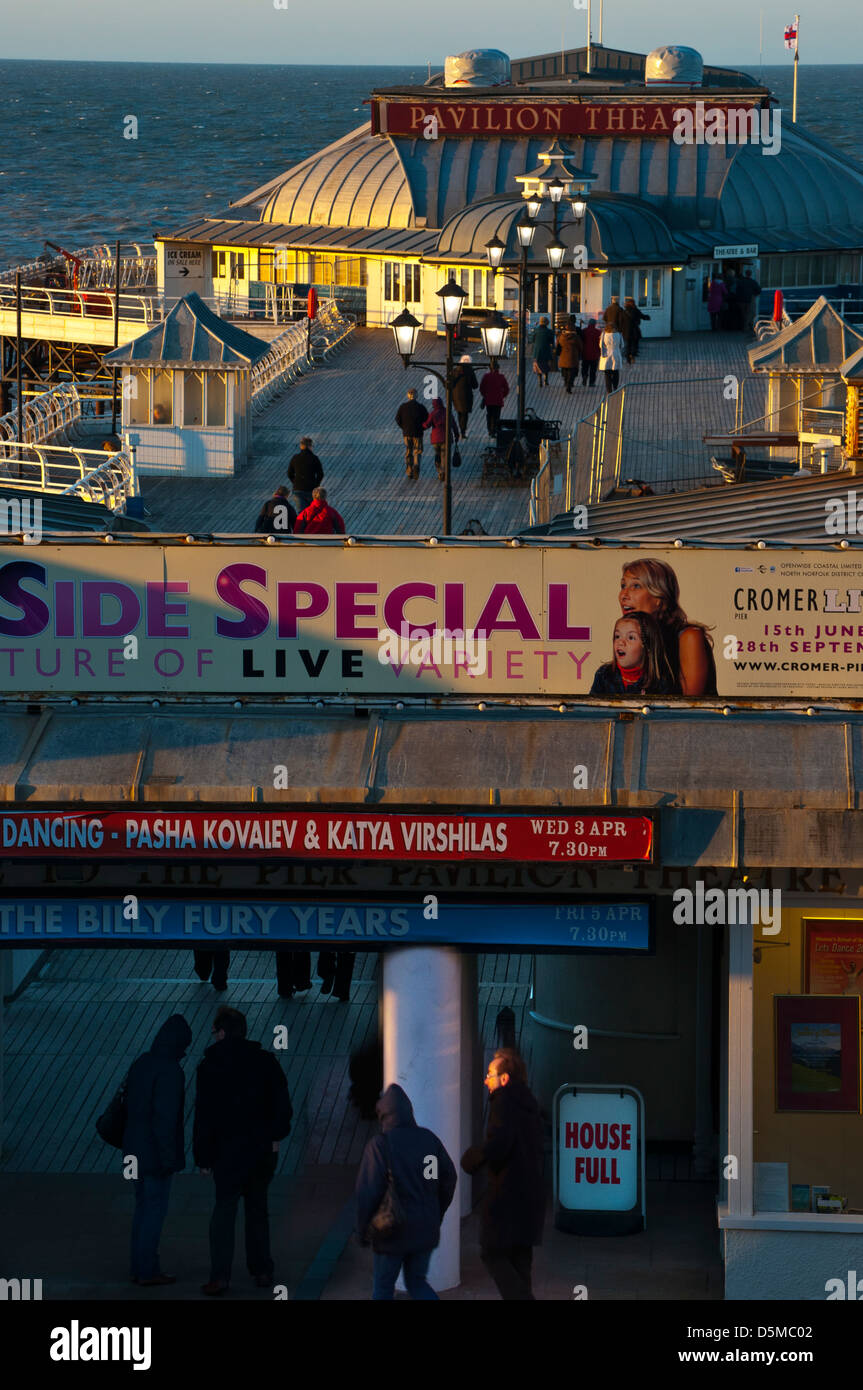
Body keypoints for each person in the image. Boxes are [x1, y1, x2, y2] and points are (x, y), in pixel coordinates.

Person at [194, 1006, 293, 1296]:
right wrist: (276, 1135)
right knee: (257, 1209)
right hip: (261, 1150)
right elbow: (282, 1105)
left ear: (222, 1032)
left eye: (214, 1032)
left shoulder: (210, 1066)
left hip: (227, 1153)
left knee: (224, 1211)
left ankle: (220, 1276)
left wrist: (203, 1157)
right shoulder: (266, 1062)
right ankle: (261, 1269)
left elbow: (204, 1117)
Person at [355, 1083, 457, 1301]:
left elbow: (369, 1192)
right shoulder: (429, 1140)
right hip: (425, 1228)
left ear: (383, 1115)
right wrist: (435, 1211)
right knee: (417, 1283)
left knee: (383, 1288)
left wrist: (363, 1230)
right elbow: (448, 1179)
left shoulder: (380, 1145)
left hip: (391, 1231)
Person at [460, 1049, 545, 1300]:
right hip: (530, 1199)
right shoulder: (528, 1103)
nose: (486, 1080)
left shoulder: (503, 1101)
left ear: (504, 1079)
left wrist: (474, 1158)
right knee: (520, 1261)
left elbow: (499, 1143)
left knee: (492, 1251)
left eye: (490, 1074)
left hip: (508, 1197)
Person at [124, 1014, 193, 1287]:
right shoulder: (171, 1071)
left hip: (133, 1150)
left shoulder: (142, 1062)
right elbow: (165, 1120)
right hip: (154, 1155)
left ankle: (137, 1266)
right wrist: (169, 1159)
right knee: (154, 1211)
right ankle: (147, 1270)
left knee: (142, 1209)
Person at [618, 557, 718, 696]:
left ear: (659, 596)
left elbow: (691, 707)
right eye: (623, 586)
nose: (623, 595)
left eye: (636, 586)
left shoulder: (688, 637)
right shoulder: (630, 638)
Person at [589, 612, 675, 696]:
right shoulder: (604, 675)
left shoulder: (659, 681)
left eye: (631, 637)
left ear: (647, 646)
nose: (621, 642)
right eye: (617, 636)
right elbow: (591, 707)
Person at [395, 388, 429, 479]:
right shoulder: (421, 407)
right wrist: (422, 428)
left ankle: (409, 471)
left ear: (408, 396)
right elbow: (427, 419)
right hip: (418, 433)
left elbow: (397, 419)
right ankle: (416, 465)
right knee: (417, 451)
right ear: (416, 396)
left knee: (408, 451)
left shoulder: (403, 407)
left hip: (407, 433)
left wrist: (404, 427)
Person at [424, 395, 459, 481]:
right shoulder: (447, 412)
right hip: (446, 438)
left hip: (436, 439)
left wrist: (420, 425)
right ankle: (444, 472)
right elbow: (453, 424)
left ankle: (440, 471)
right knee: (445, 456)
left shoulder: (433, 414)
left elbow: (426, 425)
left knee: (438, 455)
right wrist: (456, 434)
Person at [287, 437, 323, 512]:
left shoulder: (295, 458)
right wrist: (316, 485)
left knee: (301, 513)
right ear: (310, 446)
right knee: (312, 512)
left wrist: (295, 482)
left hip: (298, 489)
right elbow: (320, 474)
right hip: (311, 489)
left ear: (301, 446)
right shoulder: (314, 458)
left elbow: (289, 473)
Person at [451, 355, 479, 437]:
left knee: (460, 413)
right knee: (464, 414)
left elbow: (449, 384)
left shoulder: (455, 370)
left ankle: (461, 429)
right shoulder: (470, 371)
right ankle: (462, 431)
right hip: (466, 397)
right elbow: (475, 385)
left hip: (456, 397)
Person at [479, 365, 509, 437]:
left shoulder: (486, 376)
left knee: (489, 415)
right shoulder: (501, 377)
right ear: (498, 369)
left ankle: (490, 430)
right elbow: (506, 389)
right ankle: (494, 430)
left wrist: (485, 395)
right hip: (498, 401)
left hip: (488, 400)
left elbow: (482, 388)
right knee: (496, 416)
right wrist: (502, 395)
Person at [555, 318, 583, 393]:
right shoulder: (576, 337)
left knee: (564, 370)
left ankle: (566, 381)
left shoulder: (562, 336)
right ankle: (569, 384)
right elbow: (581, 346)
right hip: (573, 356)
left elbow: (558, 344)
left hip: (563, 356)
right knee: (572, 372)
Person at [622, 297, 651, 363]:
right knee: (634, 343)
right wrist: (647, 317)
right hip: (634, 330)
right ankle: (632, 355)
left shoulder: (623, 312)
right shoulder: (636, 310)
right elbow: (643, 316)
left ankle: (628, 358)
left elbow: (621, 321)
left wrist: (621, 329)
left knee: (628, 344)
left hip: (626, 331)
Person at [599, 326, 624, 393]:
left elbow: (600, 345)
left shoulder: (604, 335)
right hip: (616, 354)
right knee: (616, 372)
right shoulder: (619, 335)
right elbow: (622, 345)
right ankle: (615, 387)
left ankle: (609, 390)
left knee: (607, 374)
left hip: (606, 355)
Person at [532, 318, 554, 388]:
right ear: (547, 323)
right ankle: (546, 380)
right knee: (546, 365)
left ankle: (540, 380)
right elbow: (551, 342)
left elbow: (532, 339)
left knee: (538, 365)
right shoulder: (549, 331)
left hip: (537, 351)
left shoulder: (536, 330)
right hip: (546, 350)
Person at [580, 318, 601, 387]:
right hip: (594, 354)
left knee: (584, 367)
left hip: (585, 353)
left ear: (589, 324)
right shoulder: (598, 332)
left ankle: (584, 376)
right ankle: (591, 382)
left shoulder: (584, 331)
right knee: (593, 369)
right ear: (595, 324)